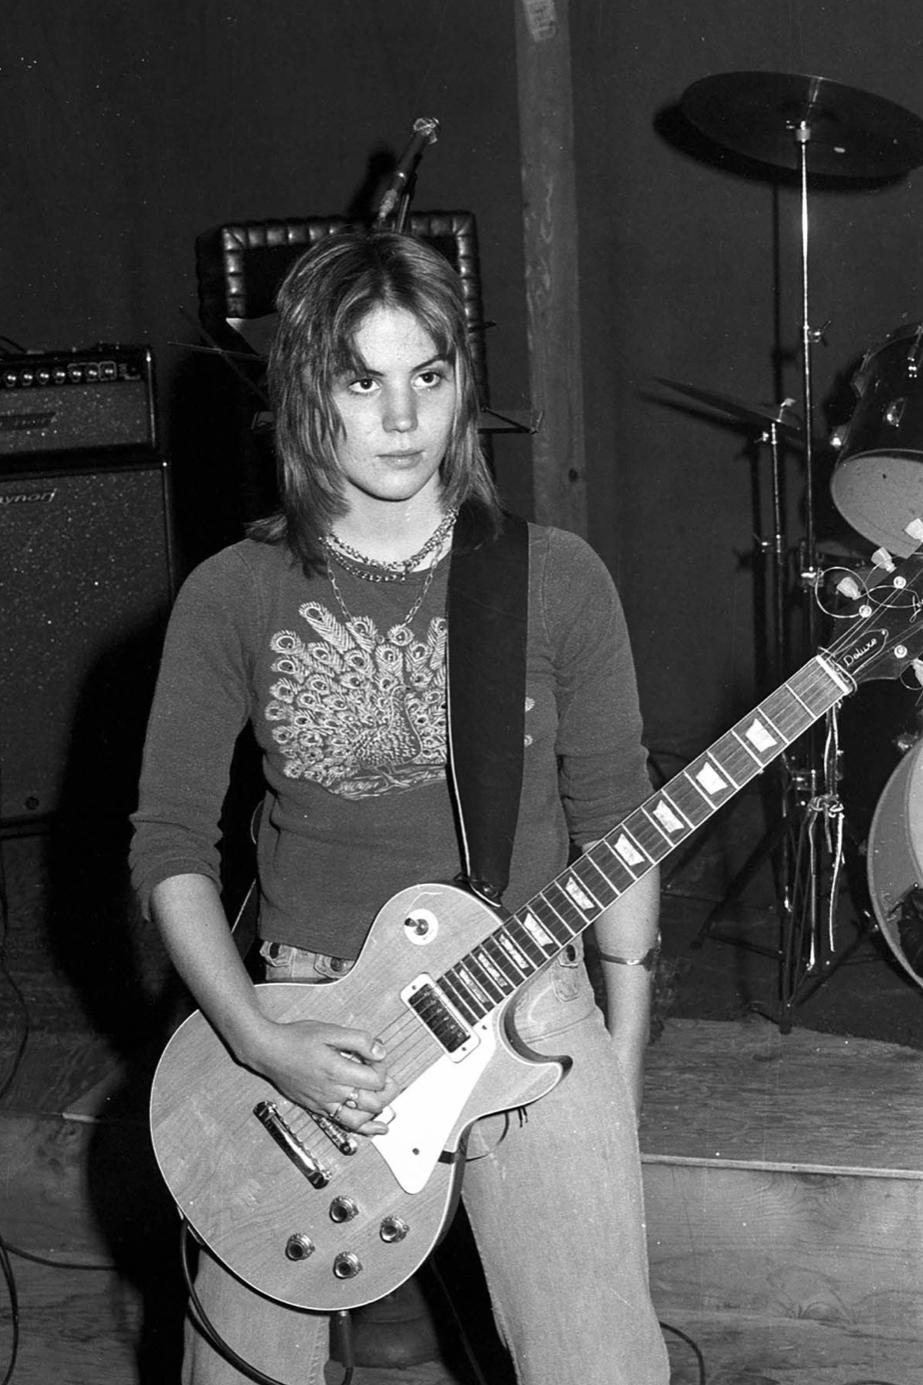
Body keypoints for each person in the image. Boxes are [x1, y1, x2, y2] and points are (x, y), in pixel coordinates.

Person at [130, 227, 670, 1385]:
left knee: (603, 1365)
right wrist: (258, 1034)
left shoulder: (553, 575)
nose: (399, 415)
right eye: (358, 379)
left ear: (460, 383)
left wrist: (615, 1067)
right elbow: (169, 843)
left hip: (529, 1011)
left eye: (427, 375)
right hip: (303, 1026)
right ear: (302, 392)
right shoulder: (232, 593)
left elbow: (616, 818)